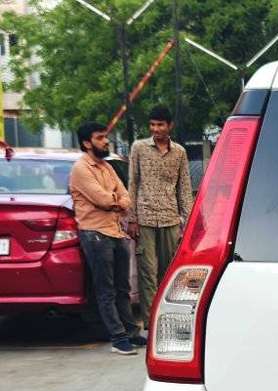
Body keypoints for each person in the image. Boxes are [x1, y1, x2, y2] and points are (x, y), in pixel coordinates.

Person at [69, 122, 145, 356]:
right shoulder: (81, 168)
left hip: (115, 231)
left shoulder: (106, 166)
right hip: (95, 234)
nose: (105, 141)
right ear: (86, 143)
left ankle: (132, 332)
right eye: (100, 137)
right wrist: (116, 202)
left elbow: (125, 196)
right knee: (106, 290)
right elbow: (102, 199)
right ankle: (117, 338)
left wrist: (118, 202)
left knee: (123, 288)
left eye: (105, 137)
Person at [126, 104, 193, 327]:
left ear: (169, 126)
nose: (155, 129)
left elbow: (184, 189)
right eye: (152, 125)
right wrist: (132, 218)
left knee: (169, 275)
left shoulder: (180, 152)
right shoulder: (139, 148)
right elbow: (133, 183)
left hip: (170, 220)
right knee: (148, 275)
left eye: (160, 125)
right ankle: (151, 323)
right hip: (145, 220)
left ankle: (169, 321)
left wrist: (189, 222)